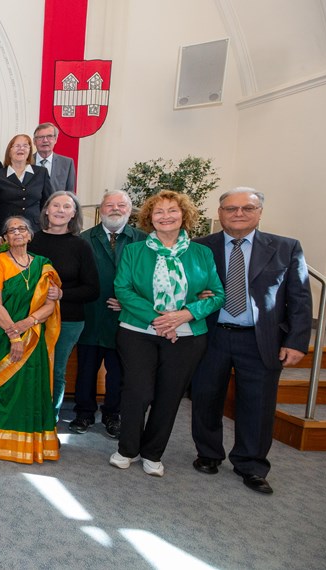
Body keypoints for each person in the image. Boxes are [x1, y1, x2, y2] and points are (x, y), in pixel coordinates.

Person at [191, 188, 312, 494]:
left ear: (260, 213)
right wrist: (197, 295)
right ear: (220, 213)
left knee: (257, 405)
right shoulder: (201, 247)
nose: (238, 213)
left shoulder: (285, 248)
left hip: (261, 339)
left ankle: (251, 465)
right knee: (205, 396)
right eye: (231, 208)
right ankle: (208, 454)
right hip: (212, 334)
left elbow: (299, 299)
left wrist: (297, 342)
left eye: (247, 208)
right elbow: (185, 287)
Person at [110, 190, 225, 477]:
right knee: (138, 391)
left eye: (172, 210)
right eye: (159, 212)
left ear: (184, 215)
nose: (165, 216)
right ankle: (127, 449)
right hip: (137, 330)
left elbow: (217, 295)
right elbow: (123, 289)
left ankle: (153, 453)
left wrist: (184, 315)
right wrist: (159, 320)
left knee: (169, 395)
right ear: (150, 217)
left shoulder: (202, 253)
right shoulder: (134, 251)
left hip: (187, 335)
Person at [0, 216, 61, 463]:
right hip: (2, 334)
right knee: (3, 388)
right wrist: (14, 335)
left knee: (31, 388)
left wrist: (28, 324)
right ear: (5, 238)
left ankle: (31, 441)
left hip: (34, 335)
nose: (17, 233)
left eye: (22, 229)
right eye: (11, 230)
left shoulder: (43, 265)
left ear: (30, 235)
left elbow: (50, 304)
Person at [72, 190, 147, 437]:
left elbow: (152, 282)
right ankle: (83, 414)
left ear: (130, 209)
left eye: (121, 205)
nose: (115, 209)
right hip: (91, 315)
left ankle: (113, 414)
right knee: (86, 369)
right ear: (100, 209)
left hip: (127, 320)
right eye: (109, 205)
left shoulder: (143, 241)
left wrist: (131, 303)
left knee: (119, 373)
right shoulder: (83, 239)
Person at [28, 191, 99, 418]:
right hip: (30, 318)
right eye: (55, 205)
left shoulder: (82, 246)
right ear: (46, 210)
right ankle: (27, 417)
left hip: (68, 321)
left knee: (55, 370)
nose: (60, 210)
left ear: (74, 214)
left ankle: (49, 419)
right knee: (29, 370)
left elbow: (92, 289)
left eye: (66, 207)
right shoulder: (31, 241)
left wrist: (61, 294)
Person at [0, 133, 53, 233]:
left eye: (25, 146)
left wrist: (48, 227)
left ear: (29, 151)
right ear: (9, 151)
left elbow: (48, 203)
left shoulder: (41, 173)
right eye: (17, 146)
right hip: (8, 231)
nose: (21, 149)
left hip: (35, 230)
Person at [33, 123, 76, 193]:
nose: (45, 140)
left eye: (49, 136)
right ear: (34, 141)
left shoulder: (67, 163)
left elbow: (70, 193)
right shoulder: (26, 162)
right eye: (41, 137)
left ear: (55, 139)